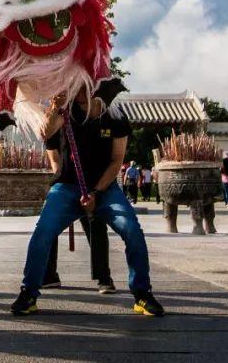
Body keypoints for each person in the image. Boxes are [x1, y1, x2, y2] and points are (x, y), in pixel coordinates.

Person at [10, 91, 165, 318]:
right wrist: (54, 108)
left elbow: (116, 160)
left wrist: (96, 192)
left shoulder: (114, 117)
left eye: (86, 86)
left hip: (105, 188)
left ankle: (142, 293)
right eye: (76, 86)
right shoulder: (65, 113)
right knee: (43, 231)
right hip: (67, 186)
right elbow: (46, 134)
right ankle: (29, 292)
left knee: (132, 230)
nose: (81, 93)